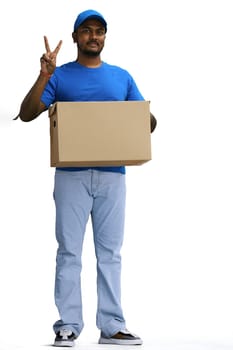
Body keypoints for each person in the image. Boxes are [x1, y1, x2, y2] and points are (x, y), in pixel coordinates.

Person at [16, 9, 157, 347]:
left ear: (104, 38)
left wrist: (138, 115)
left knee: (110, 253)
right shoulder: (60, 76)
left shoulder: (121, 77)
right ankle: (67, 326)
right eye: (87, 31)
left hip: (113, 175)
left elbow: (147, 124)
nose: (94, 36)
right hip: (71, 176)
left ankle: (112, 326)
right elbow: (27, 114)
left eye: (100, 31)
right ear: (76, 36)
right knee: (69, 252)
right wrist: (43, 75)